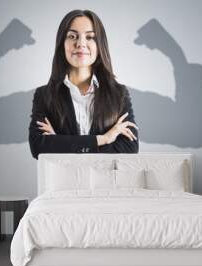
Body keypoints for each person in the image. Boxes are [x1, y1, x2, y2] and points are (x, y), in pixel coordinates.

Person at [29, 10, 139, 159]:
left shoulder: (118, 94)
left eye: (90, 37)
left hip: (106, 182)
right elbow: (39, 147)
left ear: (99, 45)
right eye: (72, 36)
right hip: (63, 182)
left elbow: (129, 148)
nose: (80, 43)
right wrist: (104, 139)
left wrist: (60, 143)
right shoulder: (45, 95)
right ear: (62, 44)